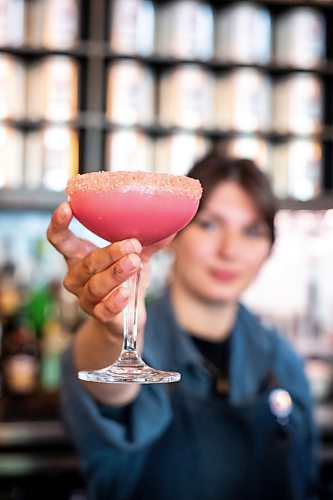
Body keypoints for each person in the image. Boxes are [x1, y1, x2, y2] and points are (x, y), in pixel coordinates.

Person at [47, 152, 318, 500]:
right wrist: (113, 330)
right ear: (173, 236)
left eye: (252, 231)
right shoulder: (148, 339)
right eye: (209, 224)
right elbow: (109, 389)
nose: (229, 250)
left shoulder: (281, 360)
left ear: (268, 249)